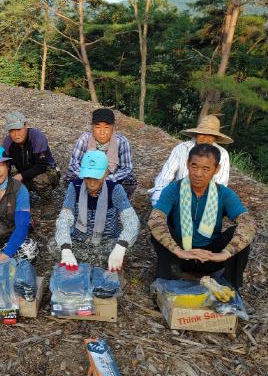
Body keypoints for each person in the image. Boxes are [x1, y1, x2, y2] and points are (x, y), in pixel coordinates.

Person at [148, 144, 256, 288]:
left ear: (216, 169)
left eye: (206, 169)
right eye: (194, 166)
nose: (198, 174)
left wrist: (224, 254)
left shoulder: (224, 194)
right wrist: (178, 251)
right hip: (179, 255)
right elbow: (155, 219)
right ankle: (167, 283)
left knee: (240, 233)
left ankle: (231, 287)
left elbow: (248, 223)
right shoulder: (173, 190)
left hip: (210, 257)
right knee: (159, 226)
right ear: (187, 164)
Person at [54, 150, 140, 271]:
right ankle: (87, 261)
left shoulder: (115, 189)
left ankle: (96, 261)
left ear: (105, 173)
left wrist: (120, 247)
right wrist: (66, 249)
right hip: (79, 241)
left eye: (96, 177)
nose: (92, 183)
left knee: (127, 247)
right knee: (54, 245)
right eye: (88, 178)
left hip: (107, 242)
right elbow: (64, 217)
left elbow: (131, 220)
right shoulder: (74, 187)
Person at [149, 115, 232, 206]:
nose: (205, 138)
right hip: (179, 194)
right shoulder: (182, 148)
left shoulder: (222, 154)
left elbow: (221, 183)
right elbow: (165, 175)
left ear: (215, 138)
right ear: (196, 134)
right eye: (202, 134)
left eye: (210, 135)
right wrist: (159, 194)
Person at [65, 108, 137, 197]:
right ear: (92, 127)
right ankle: (79, 199)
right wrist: (89, 178)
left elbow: (126, 168)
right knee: (69, 177)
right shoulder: (85, 139)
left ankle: (115, 200)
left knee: (130, 181)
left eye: (106, 127)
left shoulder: (121, 141)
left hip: (110, 176)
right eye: (98, 127)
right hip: (87, 175)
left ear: (113, 127)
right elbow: (73, 164)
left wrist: (104, 179)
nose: (102, 132)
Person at [2, 111, 60, 199]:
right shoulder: (7, 143)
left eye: (19, 129)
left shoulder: (37, 137)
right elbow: (7, 166)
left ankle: (47, 200)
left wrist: (20, 176)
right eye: (12, 131)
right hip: (24, 170)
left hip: (46, 169)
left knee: (40, 181)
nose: (16, 134)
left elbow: (41, 166)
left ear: (26, 125)